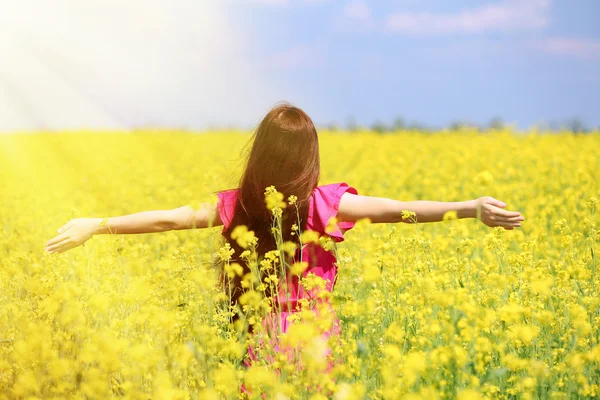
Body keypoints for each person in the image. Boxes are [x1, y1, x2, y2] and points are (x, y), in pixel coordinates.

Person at [45, 102, 524, 390]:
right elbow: (404, 210)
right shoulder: (327, 204)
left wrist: (97, 224)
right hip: (316, 338)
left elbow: (168, 220)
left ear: (261, 154)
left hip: (260, 336)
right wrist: (470, 206)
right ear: (308, 156)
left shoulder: (237, 206)